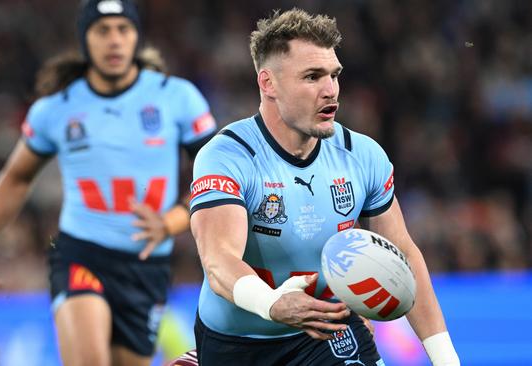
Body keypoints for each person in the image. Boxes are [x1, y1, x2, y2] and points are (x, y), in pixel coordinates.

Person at [189, 8, 460, 366]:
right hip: (237, 345)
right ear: (268, 83)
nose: (330, 90)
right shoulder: (228, 156)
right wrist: (272, 304)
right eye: (312, 76)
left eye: (334, 75)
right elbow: (219, 259)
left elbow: (404, 253)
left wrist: (446, 359)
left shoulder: (361, 155)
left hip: (327, 331)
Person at [0, 0, 217, 365]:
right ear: (85, 40)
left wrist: (170, 223)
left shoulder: (177, 97)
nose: (114, 40)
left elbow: (218, 177)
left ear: (136, 37)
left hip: (147, 267)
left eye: (123, 29)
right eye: (102, 30)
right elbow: (16, 177)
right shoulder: (57, 108)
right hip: (81, 254)